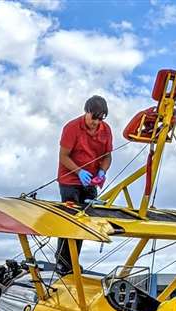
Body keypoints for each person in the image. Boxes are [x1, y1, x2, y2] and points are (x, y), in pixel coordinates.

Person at [55, 96, 113, 277]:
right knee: (71, 220)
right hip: (70, 181)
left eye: (100, 118)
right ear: (86, 111)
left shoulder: (106, 130)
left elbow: (107, 156)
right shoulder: (72, 128)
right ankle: (63, 262)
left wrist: (102, 172)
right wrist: (79, 172)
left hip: (90, 182)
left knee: (84, 222)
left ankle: (72, 261)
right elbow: (63, 156)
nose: (95, 122)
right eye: (93, 117)